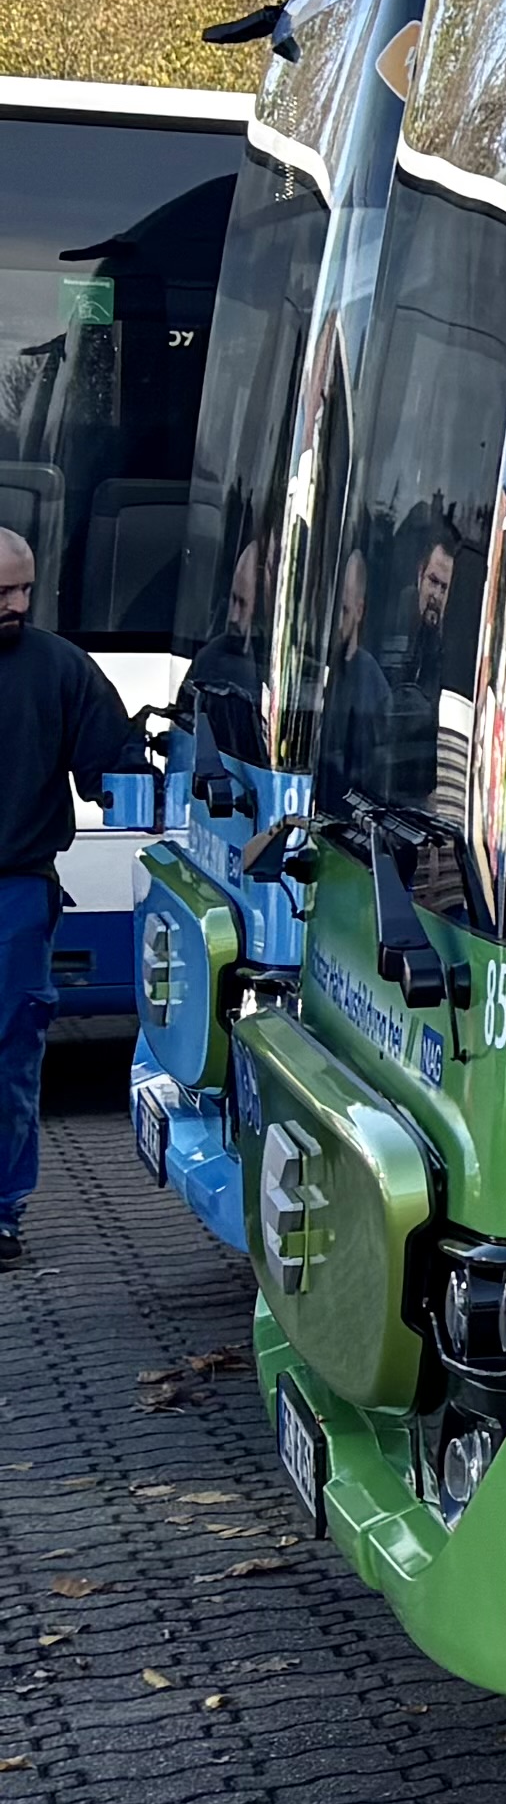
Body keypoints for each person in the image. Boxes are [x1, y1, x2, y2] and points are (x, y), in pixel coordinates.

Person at [0, 527, 155, 1272]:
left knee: (9, 1058)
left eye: (25, 590)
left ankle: (1, 1215)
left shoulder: (58, 667)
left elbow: (110, 765)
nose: (16, 604)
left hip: (17, 891)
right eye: (2, 591)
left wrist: (144, 775)